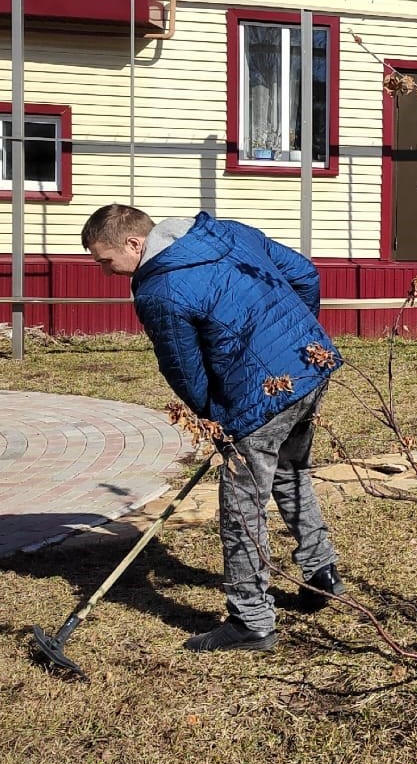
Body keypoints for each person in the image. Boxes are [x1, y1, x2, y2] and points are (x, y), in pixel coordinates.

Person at [81, 204, 346, 653]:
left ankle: (251, 622)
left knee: (242, 509)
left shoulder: (159, 289)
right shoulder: (228, 232)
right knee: (290, 472)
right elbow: (305, 274)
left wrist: (216, 419)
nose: (106, 271)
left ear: (133, 243)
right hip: (310, 369)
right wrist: (298, 342)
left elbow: (185, 370)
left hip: (258, 396)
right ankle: (323, 573)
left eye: (105, 260)